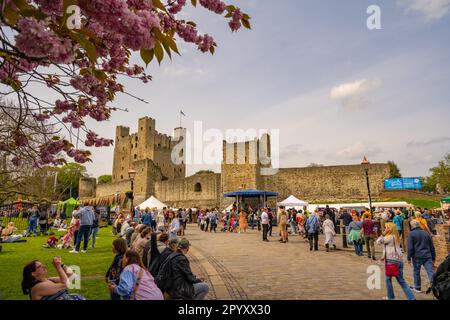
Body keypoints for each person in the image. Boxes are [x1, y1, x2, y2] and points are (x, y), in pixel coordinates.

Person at [376, 223, 416, 300]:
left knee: (388, 280)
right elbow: (388, 247)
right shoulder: (396, 237)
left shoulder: (389, 237)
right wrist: (383, 256)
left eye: (386, 227)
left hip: (392, 261)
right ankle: (411, 298)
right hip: (399, 261)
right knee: (401, 281)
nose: (384, 229)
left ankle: (391, 297)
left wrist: (383, 233)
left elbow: (378, 241)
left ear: (389, 229)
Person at [407, 219, 436, 294]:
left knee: (416, 272)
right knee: (430, 272)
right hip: (427, 255)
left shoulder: (411, 234)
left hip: (417, 256)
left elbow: (410, 247)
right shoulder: (426, 233)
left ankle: (417, 287)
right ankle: (435, 287)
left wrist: (408, 258)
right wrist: (433, 257)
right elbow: (432, 246)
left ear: (412, 226)